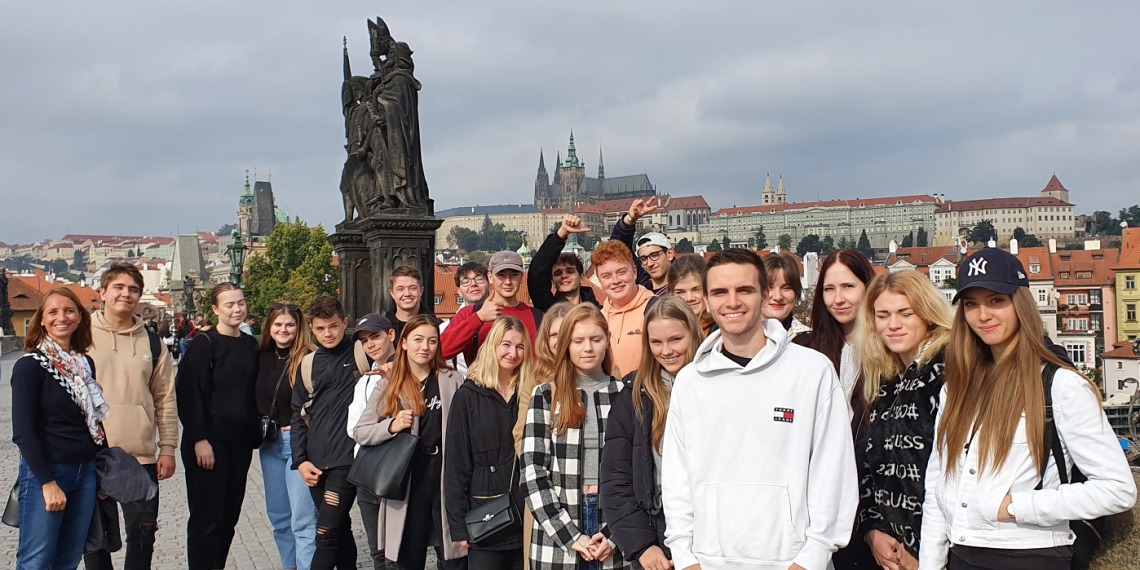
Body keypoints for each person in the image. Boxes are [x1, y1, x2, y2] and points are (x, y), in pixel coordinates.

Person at [919, 248, 1137, 570]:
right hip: (961, 554)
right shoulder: (957, 387)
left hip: (1030, 556)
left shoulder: (1061, 386)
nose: (983, 315)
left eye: (996, 300)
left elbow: (1118, 490)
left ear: (1020, 303)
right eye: (971, 304)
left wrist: (1016, 506)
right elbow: (938, 483)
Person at [661, 249, 858, 570]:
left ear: (764, 295)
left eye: (744, 290)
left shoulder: (812, 371)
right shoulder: (690, 381)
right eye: (720, 292)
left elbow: (834, 471)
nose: (732, 302)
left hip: (793, 561)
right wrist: (685, 557)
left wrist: (813, 556)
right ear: (706, 301)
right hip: (708, 562)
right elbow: (675, 478)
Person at [853, 271, 953, 570]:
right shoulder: (885, 379)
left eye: (905, 313)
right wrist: (873, 529)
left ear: (927, 315)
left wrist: (922, 550)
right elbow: (872, 466)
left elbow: (955, 472)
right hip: (892, 549)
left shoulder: (950, 367)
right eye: (882, 315)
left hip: (941, 551)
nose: (893, 324)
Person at [354, 315, 469, 569]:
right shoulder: (390, 383)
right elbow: (361, 431)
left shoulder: (453, 380)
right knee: (409, 556)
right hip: (408, 479)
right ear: (404, 343)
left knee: (454, 558)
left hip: (445, 476)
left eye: (432, 341)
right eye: (418, 340)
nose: (425, 347)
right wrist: (391, 426)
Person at [84, 262, 178, 570]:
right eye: (119, 287)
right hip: (91, 454)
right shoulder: (81, 336)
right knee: (95, 542)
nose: (126, 294)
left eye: (133, 289)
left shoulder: (151, 342)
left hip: (140, 456)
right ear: (102, 292)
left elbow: (165, 398)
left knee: (143, 536)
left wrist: (167, 448)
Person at [521, 303, 629, 570]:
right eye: (578, 341)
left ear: (607, 340)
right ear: (566, 345)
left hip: (612, 522)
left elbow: (636, 473)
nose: (587, 348)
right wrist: (569, 534)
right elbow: (533, 470)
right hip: (559, 524)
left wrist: (615, 535)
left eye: (595, 339)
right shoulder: (546, 395)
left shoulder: (625, 394)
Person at [601, 296, 704, 570]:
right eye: (656, 342)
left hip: (709, 534)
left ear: (693, 334)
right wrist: (642, 546)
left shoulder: (718, 386)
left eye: (676, 340)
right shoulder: (634, 396)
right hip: (654, 535)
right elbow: (616, 481)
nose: (666, 351)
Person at [12, 287, 107, 569]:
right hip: (48, 472)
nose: (61, 317)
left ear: (80, 317)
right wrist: (47, 483)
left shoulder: (85, 364)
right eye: (53, 312)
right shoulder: (30, 367)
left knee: (69, 558)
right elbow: (23, 432)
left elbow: (93, 420)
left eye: (69, 311)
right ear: (42, 319)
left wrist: (103, 468)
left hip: (85, 472)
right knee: (36, 560)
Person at [176, 283, 259, 570]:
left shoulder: (250, 345)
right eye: (229, 304)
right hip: (209, 442)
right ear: (215, 309)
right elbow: (188, 393)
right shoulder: (204, 343)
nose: (237, 309)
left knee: (228, 517)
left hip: (239, 442)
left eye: (240, 303)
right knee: (206, 518)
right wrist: (199, 438)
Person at [446, 317, 533, 570]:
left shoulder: (531, 392)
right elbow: (456, 464)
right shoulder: (468, 396)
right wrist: (458, 525)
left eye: (520, 347)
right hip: (485, 514)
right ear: (492, 346)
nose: (513, 353)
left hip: (524, 512)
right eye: (506, 345)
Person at [291, 296, 363, 570]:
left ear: (345, 322)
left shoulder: (361, 353)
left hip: (348, 459)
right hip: (316, 462)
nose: (328, 334)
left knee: (325, 532)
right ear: (312, 328)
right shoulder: (308, 364)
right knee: (340, 528)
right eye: (320, 328)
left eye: (333, 326)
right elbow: (298, 415)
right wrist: (300, 460)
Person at [256, 302, 318, 570]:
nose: (284, 329)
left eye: (290, 324)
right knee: (279, 517)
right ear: (269, 326)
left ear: (298, 327)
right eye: (278, 324)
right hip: (269, 444)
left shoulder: (309, 357)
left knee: (303, 519)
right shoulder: (259, 357)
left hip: (300, 444)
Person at [512, 301, 572, 570]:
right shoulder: (535, 379)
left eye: (566, 331)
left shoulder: (606, 373)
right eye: (554, 334)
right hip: (547, 487)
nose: (560, 340)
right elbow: (520, 435)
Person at [346, 313, 399, 570]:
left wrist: (373, 430)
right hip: (367, 471)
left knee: (397, 551)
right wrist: (386, 427)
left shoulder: (407, 371)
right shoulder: (364, 380)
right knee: (377, 549)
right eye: (365, 341)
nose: (371, 345)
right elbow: (354, 428)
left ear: (391, 335)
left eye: (375, 337)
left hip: (397, 470)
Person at [441, 250, 541, 367]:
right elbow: (440, 351)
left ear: (521, 277)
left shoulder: (538, 317)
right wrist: (478, 318)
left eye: (514, 275)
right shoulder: (470, 313)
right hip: (482, 378)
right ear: (490, 277)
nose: (508, 282)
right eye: (501, 275)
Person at [593, 240, 655, 378]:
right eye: (607, 276)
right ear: (599, 280)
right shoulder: (598, 318)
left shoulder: (655, 310)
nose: (615, 281)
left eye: (621, 272)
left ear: (634, 272)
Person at [527, 214, 602, 311]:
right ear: (553, 283)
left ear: (581, 277)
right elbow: (537, 270)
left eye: (570, 271)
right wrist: (562, 233)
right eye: (558, 273)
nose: (564, 276)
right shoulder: (549, 309)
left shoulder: (599, 311)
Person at [609, 197, 671, 295]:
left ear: (669, 254)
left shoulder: (684, 289)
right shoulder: (642, 286)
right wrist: (630, 219)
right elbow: (616, 249)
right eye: (644, 259)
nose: (649, 264)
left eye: (654, 255)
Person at [440, 262, 490, 375]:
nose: (473, 284)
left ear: (489, 285)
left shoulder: (502, 317)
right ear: (459, 292)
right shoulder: (444, 328)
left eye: (479, 279)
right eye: (466, 281)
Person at [763, 252, 811, 339]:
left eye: (786, 288)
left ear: (796, 294)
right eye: (769, 288)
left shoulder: (812, 342)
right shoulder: (739, 339)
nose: (778, 297)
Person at [666, 254, 716, 335]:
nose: (689, 298)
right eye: (680, 292)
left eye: (696, 290)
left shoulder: (722, 330)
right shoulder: (665, 328)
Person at [387, 265, 435, 340]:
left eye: (413, 288)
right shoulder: (383, 329)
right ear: (392, 293)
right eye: (400, 289)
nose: (407, 294)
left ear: (421, 291)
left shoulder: (437, 326)